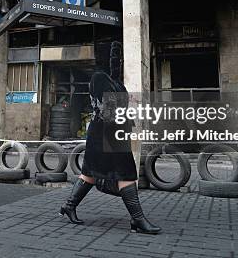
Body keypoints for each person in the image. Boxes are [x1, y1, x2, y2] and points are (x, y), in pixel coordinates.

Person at [59, 41, 161, 235]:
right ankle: (138, 220)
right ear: (105, 59)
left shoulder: (117, 82)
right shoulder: (99, 78)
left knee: (89, 173)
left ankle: (68, 206)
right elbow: (107, 109)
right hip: (103, 134)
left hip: (114, 134)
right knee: (126, 172)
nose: (117, 63)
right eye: (113, 58)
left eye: (118, 59)